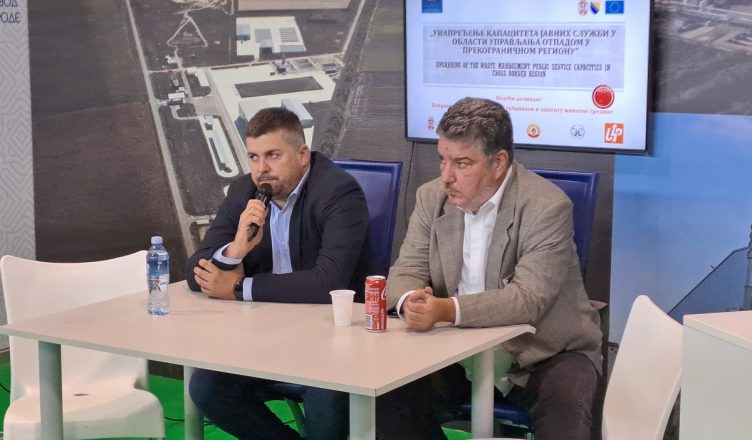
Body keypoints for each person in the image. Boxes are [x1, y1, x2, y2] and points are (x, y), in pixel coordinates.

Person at [379, 97, 602, 440]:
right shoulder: (431, 197)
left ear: (499, 162)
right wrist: (410, 300)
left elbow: (527, 299)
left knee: (566, 413)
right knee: (388, 395)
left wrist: (445, 309)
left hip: (545, 351)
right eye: (443, 160)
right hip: (456, 350)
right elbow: (405, 270)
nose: (447, 177)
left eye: (462, 163)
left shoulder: (547, 206)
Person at [186, 106, 382, 440]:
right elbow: (195, 272)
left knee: (326, 397)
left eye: (273, 156)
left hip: (333, 341)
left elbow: (327, 283)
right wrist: (236, 250)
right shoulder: (244, 192)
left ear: (302, 155)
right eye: (253, 157)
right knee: (208, 388)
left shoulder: (338, 192)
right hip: (269, 336)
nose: (261, 169)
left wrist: (238, 288)